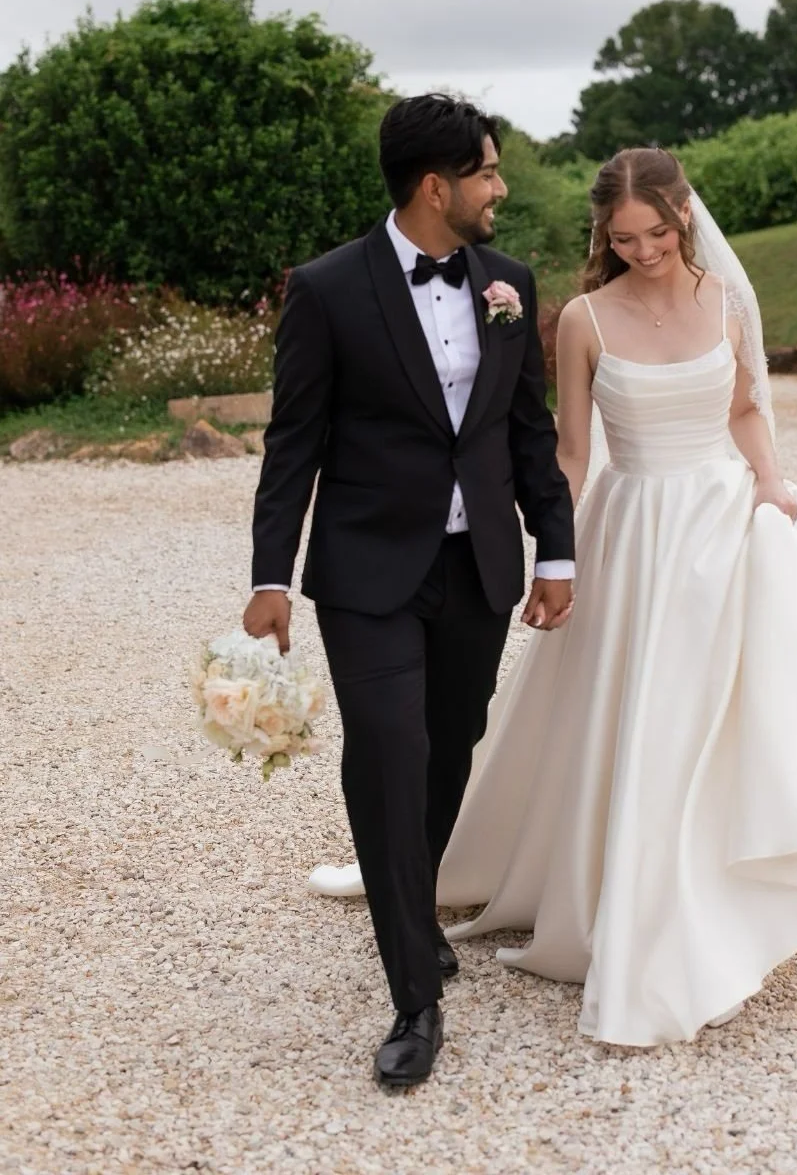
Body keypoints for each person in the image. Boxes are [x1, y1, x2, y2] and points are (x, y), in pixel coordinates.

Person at [311, 146, 797, 1049]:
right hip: (633, 529)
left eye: (655, 232)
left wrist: (772, 482)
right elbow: (568, 452)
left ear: (684, 216)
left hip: (721, 521)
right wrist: (552, 556)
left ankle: (719, 866)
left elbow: (746, 408)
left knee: (718, 706)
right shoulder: (582, 321)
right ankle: (625, 883)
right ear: (603, 236)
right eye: (623, 237)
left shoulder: (726, 299)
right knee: (638, 709)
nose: (643, 250)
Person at [244, 94, 575, 1086]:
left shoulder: (509, 285)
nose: (500, 188)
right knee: (388, 750)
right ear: (438, 187)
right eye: (486, 172)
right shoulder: (330, 288)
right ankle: (413, 1000)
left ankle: (410, 896)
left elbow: (525, 431)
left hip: (477, 571)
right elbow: (294, 439)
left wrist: (553, 550)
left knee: (447, 746)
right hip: (365, 572)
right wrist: (271, 574)